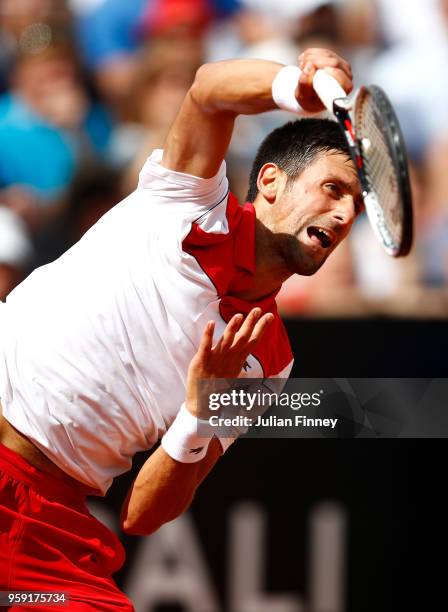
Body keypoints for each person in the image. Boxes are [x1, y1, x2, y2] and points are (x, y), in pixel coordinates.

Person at [0, 48, 361, 610]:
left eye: (356, 206)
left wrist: (198, 411)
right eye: (333, 190)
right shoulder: (188, 200)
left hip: (49, 524)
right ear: (269, 181)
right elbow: (209, 88)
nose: (343, 216)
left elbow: (142, 515)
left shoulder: (267, 359)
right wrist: (300, 87)